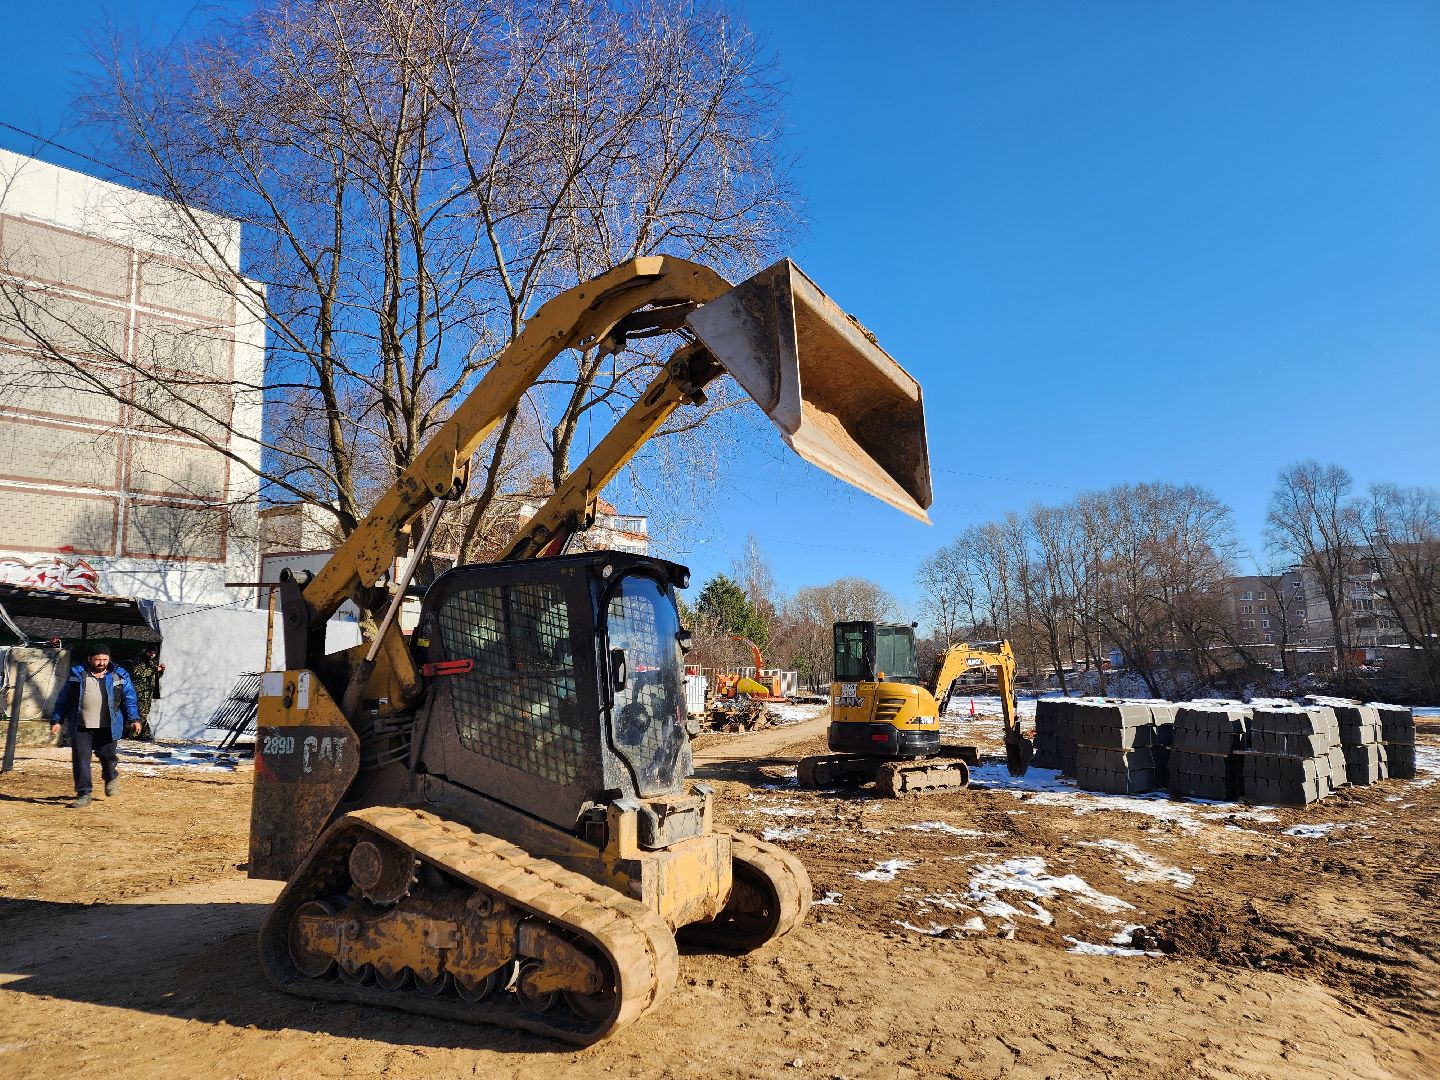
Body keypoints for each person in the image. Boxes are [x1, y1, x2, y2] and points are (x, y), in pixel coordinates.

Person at [50, 644, 141, 808]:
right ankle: (84, 793)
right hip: (81, 725)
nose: (101, 662)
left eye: (105, 659)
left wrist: (134, 719)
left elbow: (129, 698)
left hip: (108, 726)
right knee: (81, 760)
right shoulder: (77, 674)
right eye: (98, 659)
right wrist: (57, 720)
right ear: (90, 659)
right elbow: (63, 698)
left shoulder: (119, 675)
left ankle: (111, 776)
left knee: (108, 757)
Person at [126, 647, 164, 741]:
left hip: (148, 692)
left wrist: (160, 671)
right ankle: (134, 733)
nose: (152, 655)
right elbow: (137, 672)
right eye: (150, 652)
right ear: (146, 652)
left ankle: (142, 733)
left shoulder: (152, 662)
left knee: (145, 713)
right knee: (139, 713)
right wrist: (155, 669)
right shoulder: (138, 660)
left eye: (154, 653)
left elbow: (155, 675)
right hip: (139, 691)